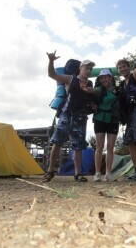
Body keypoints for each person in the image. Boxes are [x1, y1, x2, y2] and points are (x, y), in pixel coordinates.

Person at [44, 50, 96, 182]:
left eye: (90, 68)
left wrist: (92, 101)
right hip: (66, 115)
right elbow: (51, 74)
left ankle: (78, 174)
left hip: (80, 117)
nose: (88, 70)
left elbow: (90, 99)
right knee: (57, 143)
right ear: (80, 69)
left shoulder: (90, 84)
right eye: (86, 68)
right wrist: (51, 61)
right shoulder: (70, 79)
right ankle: (50, 171)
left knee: (78, 146)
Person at [82, 69, 120, 181]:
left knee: (110, 148)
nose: (105, 79)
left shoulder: (117, 90)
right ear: (100, 79)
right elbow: (90, 90)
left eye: (107, 77)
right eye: (102, 78)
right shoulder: (98, 89)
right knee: (99, 147)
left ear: (111, 78)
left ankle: (108, 173)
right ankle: (97, 173)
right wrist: (84, 88)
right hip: (99, 119)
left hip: (113, 119)